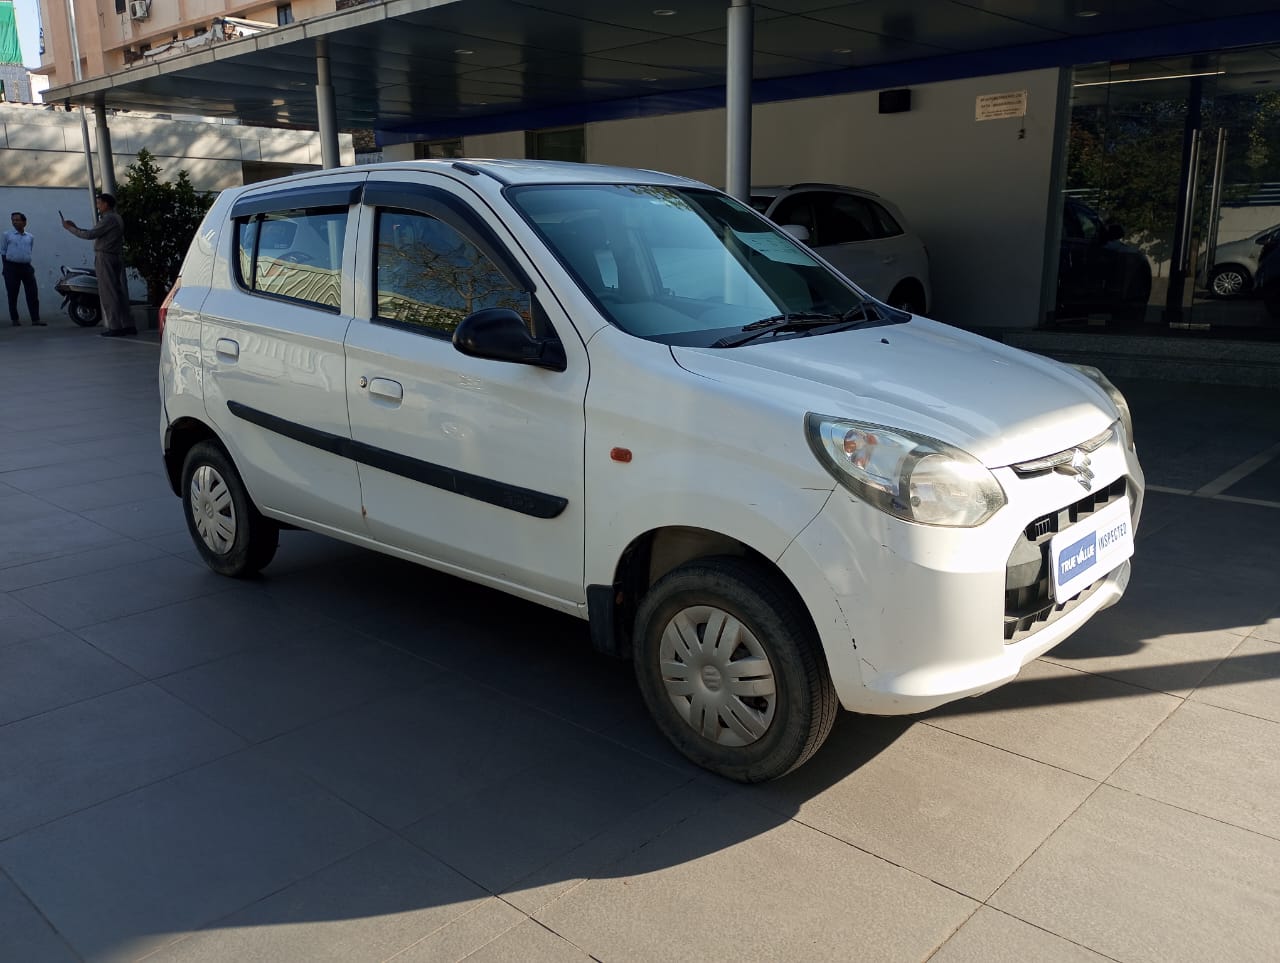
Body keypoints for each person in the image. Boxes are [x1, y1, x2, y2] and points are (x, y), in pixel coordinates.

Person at [63, 194, 135, 337]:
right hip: (114, 255)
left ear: (106, 204)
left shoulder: (108, 219)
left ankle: (115, 326)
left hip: (105, 256)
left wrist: (70, 229)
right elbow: (95, 233)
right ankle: (127, 324)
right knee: (118, 293)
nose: (98, 206)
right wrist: (76, 227)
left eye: (99, 203)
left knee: (108, 293)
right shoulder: (116, 217)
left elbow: (90, 235)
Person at [1, 212, 43, 326]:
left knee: (32, 293)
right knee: (12, 294)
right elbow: (3, 252)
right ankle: (15, 319)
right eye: (13, 220)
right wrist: (6, 269)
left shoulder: (30, 237)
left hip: (26, 267)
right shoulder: (7, 235)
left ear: (24, 222)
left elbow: (29, 250)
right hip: (11, 267)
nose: (15, 222)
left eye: (17, 220)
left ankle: (35, 319)